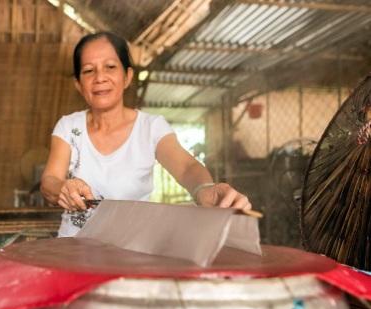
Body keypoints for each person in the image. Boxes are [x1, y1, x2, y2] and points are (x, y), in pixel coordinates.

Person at [41, 32, 251, 237]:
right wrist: (63, 187)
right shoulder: (68, 127)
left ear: (127, 76)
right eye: (88, 71)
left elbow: (187, 167)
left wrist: (205, 189)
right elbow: (50, 180)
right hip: (74, 249)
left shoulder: (151, 127)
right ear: (78, 84)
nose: (100, 77)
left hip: (134, 248)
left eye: (110, 67)